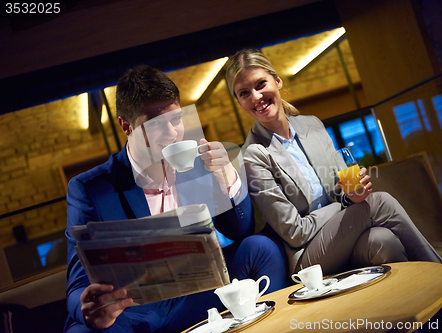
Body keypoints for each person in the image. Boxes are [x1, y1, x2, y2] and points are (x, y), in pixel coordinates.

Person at [225, 48, 442, 319]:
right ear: (238, 101)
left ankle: (419, 321)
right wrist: (345, 204)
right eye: (244, 93)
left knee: (384, 241)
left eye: (261, 84)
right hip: (306, 256)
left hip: (346, 233)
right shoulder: (254, 155)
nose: (256, 97)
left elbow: (340, 187)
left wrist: (351, 195)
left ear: (277, 81)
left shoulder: (312, 126)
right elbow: (295, 232)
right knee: (380, 202)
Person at [65, 65, 288, 333]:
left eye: (177, 119)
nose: (173, 133)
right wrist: (89, 310)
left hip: (197, 292)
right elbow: (77, 285)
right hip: (136, 310)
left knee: (260, 248)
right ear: (126, 126)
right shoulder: (89, 188)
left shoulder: (196, 163)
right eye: (157, 124)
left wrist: (227, 177)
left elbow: (239, 231)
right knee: (81, 331)